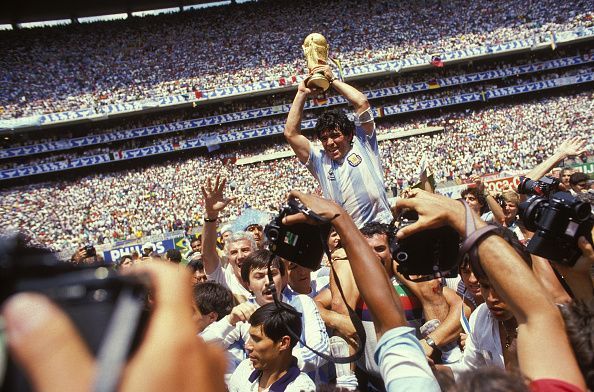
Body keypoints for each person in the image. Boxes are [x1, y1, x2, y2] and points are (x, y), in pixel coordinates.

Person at [283, 189, 587, 391]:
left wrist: (341, 223)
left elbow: (390, 327)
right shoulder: (487, 320)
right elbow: (538, 314)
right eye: (484, 285)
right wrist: (461, 216)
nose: (492, 296)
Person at [284, 65, 392, 227]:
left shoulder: (363, 144)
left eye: (335, 135)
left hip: (382, 231)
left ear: (349, 135)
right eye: (324, 138)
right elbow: (291, 134)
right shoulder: (319, 160)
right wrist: (302, 94)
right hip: (350, 240)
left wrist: (333, 80)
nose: (329, 143)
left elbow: (361, 103)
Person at [201, 249, 329, 379]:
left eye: (273, 273)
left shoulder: (302, 303)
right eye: (259, 276)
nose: (268, 281)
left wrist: (277, 364)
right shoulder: (243, 314)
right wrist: (229, 321)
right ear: (248, 284)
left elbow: (321, 349)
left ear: (282, 277)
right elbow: (201, 347)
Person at [228, 303, 316, 392]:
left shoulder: (301, 388)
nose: (247, 346)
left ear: (283, 343)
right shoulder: (245, 369)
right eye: (250, 337)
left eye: (257, 339)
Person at [201, 175, 254, 300]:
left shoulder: (269, 276)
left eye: (245, 250)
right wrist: (211, 214)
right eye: (234, 252)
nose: (240, 256)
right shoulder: (223, 279)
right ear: (228, 258)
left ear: (255, 252)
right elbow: (208, 255)